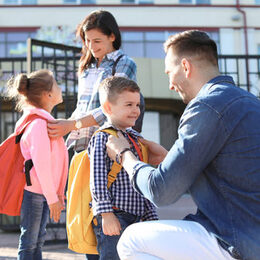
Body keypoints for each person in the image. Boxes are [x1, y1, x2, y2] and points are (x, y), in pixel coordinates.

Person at [106, 30, 260, 260]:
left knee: (131, 240)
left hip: (233, 240)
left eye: (169, 72)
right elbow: (234, 171)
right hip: (250, 236)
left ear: (186, 67)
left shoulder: (206, 106)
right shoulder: (251, 103)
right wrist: (170, 157)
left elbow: (162, 192)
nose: (170, 84)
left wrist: (125, 155)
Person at [47, 9, 144, 152]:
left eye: (97, 41)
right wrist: (64, 125)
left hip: (108, 145)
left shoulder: (124, 63)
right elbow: (81, 107)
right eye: (87, 41)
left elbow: (113, 107)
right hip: (79, 144)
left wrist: (73, 124)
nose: (91, 46)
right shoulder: (86, 67)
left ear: (112, 36)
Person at [88, 76, 158, 260]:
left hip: (137, 216)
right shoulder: (102, 137)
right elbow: (97, 179)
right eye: (129, 105)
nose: (136, 111)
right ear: (108, 108)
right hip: (115, 215)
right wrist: (106, 214)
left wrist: (150, 213)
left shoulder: (136, 138)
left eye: (137, 105)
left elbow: (142, 175)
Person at [6, 69, 68, 260]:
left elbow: (55, 162)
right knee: (30, 242)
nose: (60, 87)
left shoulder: (44, 122)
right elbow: (41, 164)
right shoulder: (38, 125)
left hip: (42, 193)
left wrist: (57, 193)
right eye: (56, 84)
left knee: (37, 241)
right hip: (35, 193)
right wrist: (52, 197)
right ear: (48, 94)